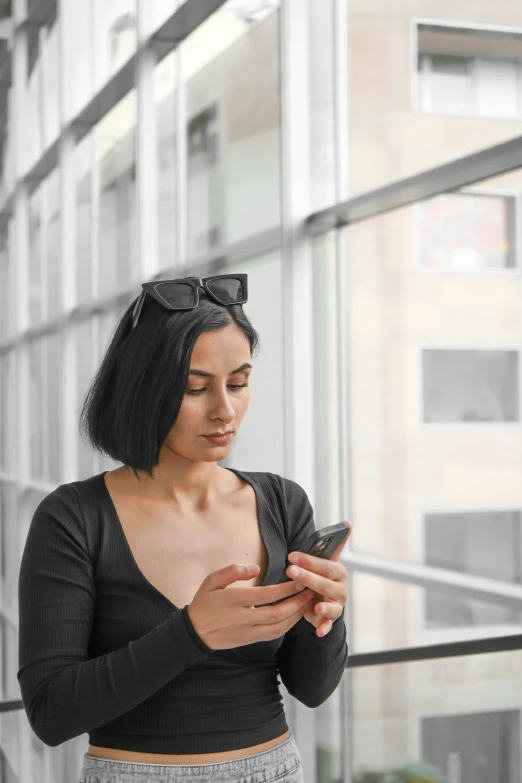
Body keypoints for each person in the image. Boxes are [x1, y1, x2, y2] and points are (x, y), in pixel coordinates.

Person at [17, 274, 349, 783]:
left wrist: (326, 620)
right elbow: (51, 713)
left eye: (238, 383)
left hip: (275, 771)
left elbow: (312, 687)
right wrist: (191, 633)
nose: (225, 410)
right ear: (142, 390)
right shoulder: (75, 517)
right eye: (195, 388)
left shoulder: (281, 502)